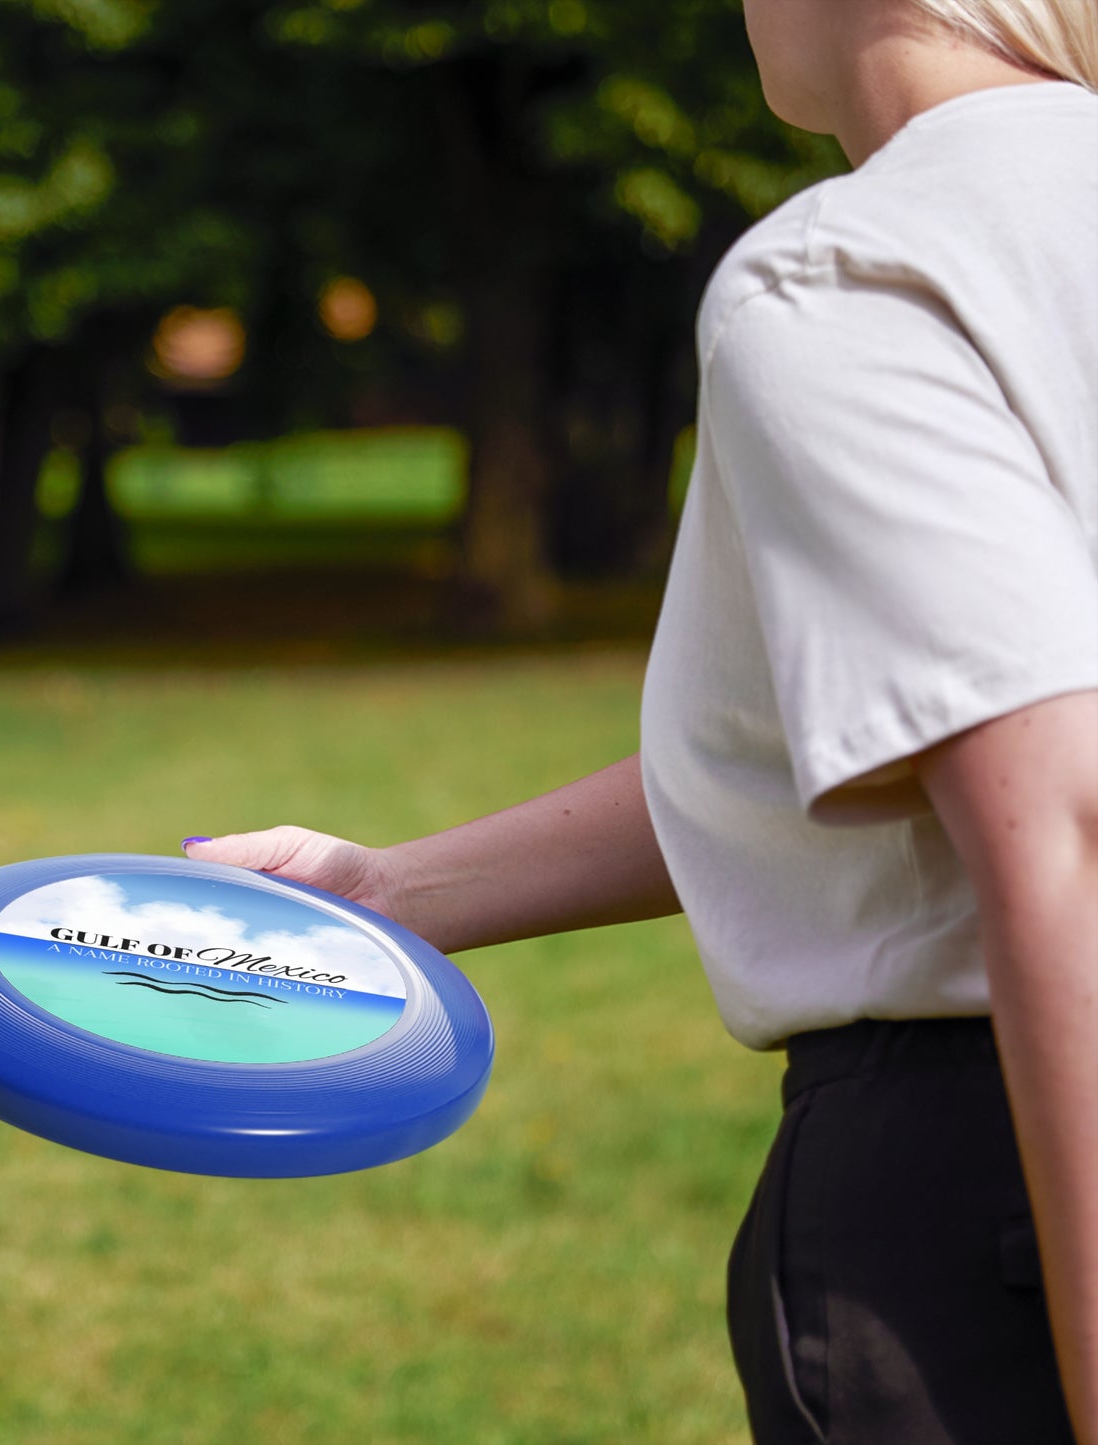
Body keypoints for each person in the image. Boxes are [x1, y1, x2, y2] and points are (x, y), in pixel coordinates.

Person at [181, 2, 1098, 1440]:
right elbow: (874, 739)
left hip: (996, 1190)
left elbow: (1062, 821)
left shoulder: (857, 269)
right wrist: (392, 891)